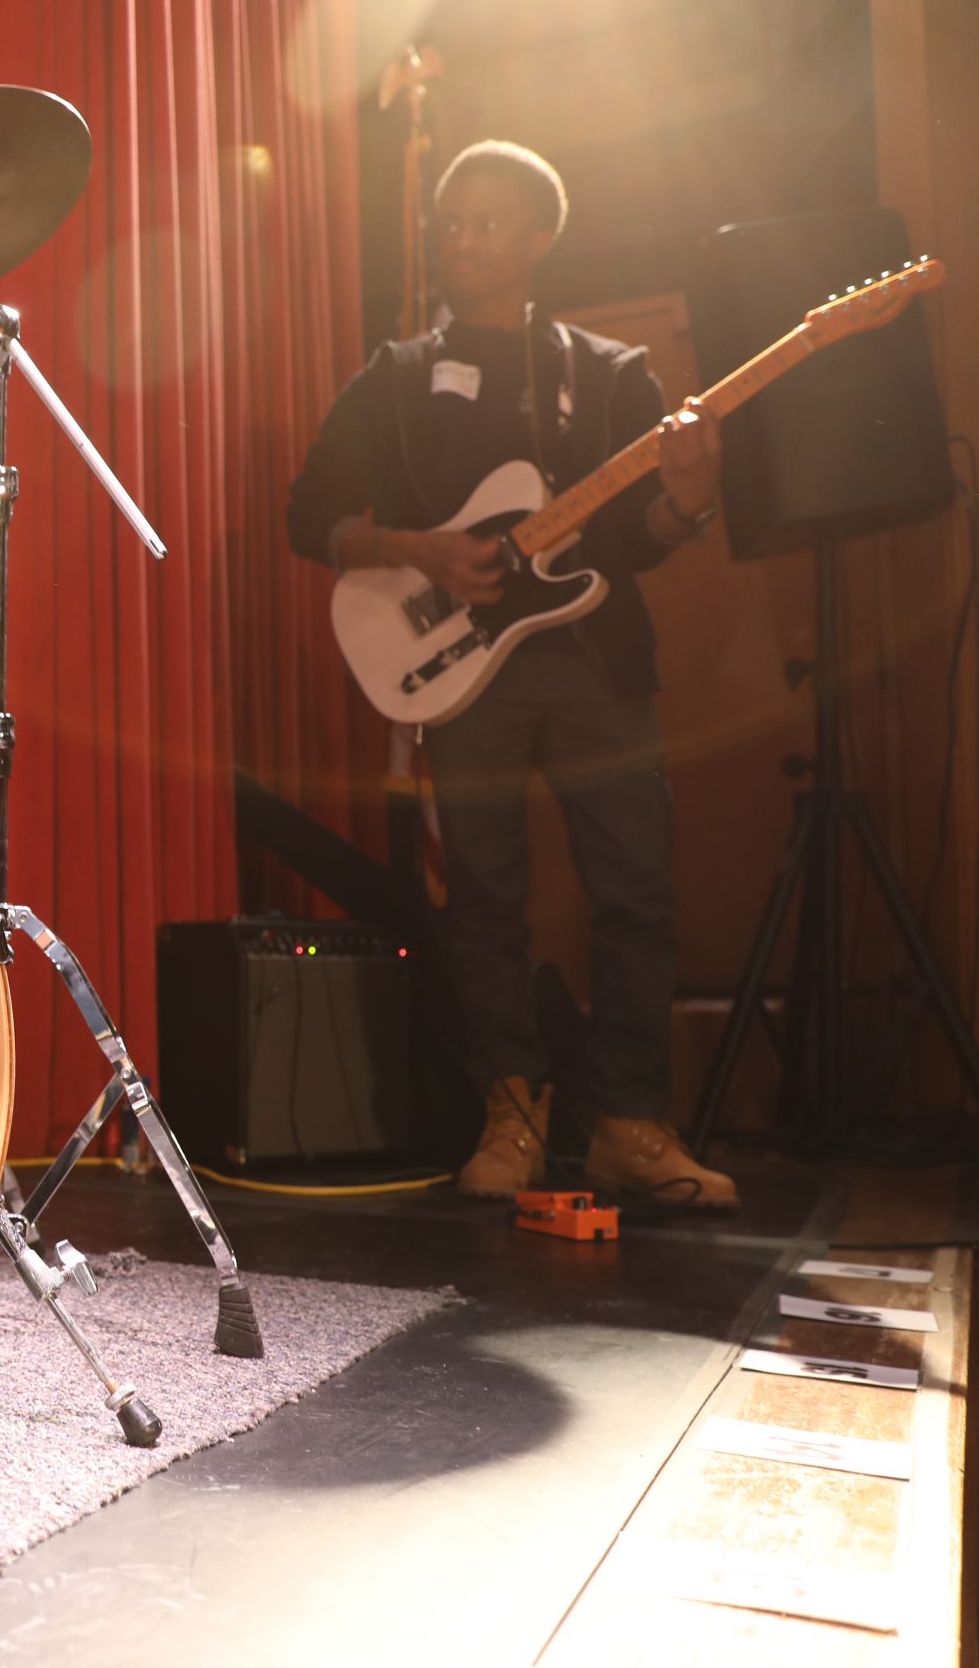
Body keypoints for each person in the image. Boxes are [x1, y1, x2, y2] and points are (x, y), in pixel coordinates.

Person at [285, 139, 738, 1208]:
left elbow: (642, 537)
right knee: (482, 896)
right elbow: (310, 517)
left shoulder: (609, 374)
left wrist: (688, 494)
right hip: (458, 673)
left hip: (597, 665)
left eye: (487, 222)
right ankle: (514, 1114)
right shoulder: (393, 378)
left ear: (539, 240)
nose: (462, 238)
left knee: (636, 890)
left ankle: (630, 1122)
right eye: (450, 222)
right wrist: (417, 549)